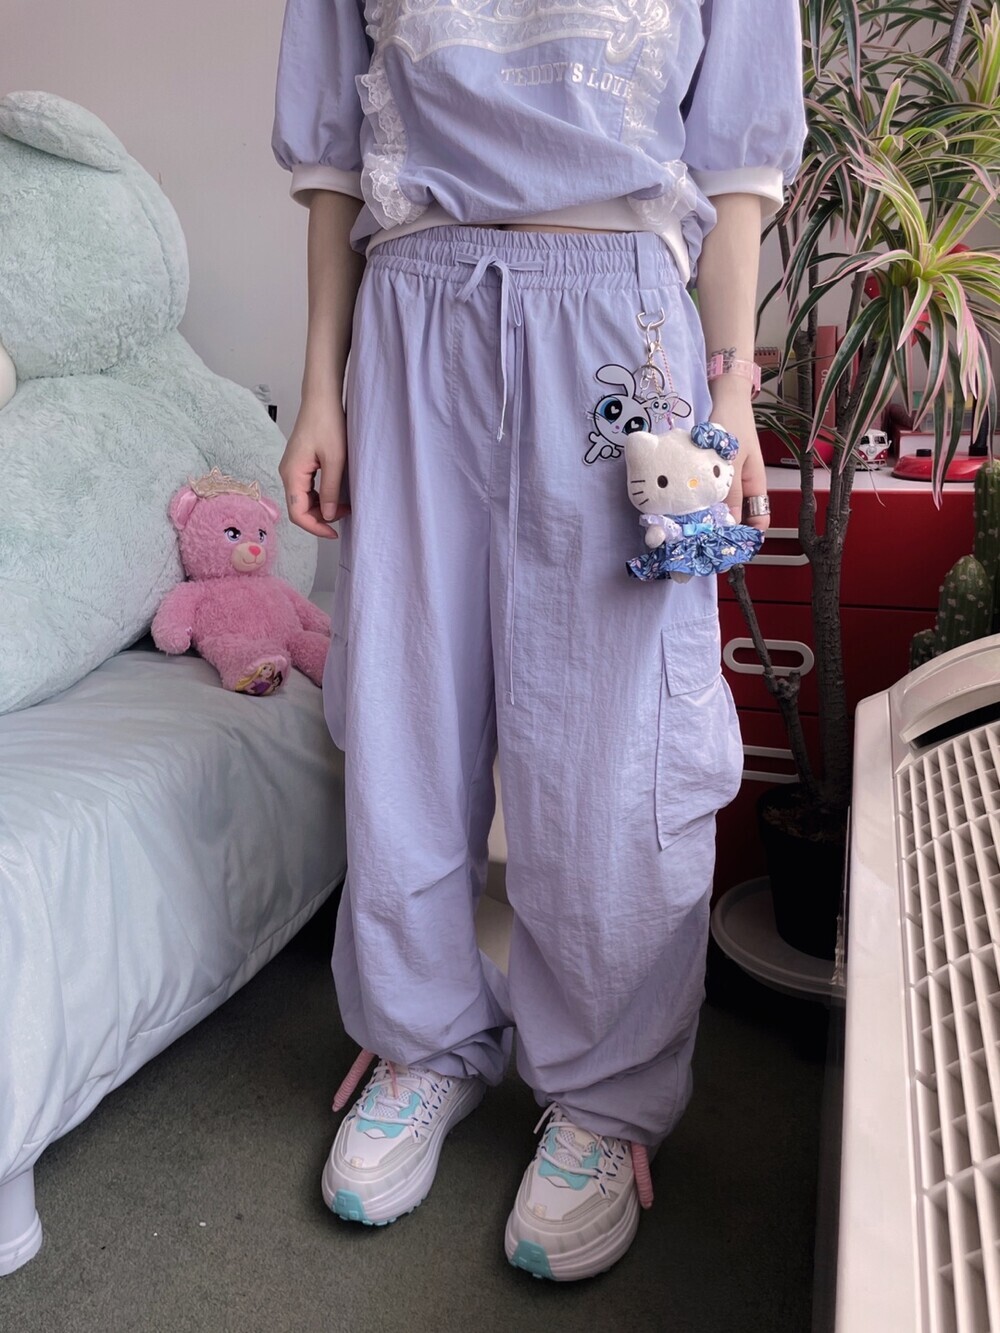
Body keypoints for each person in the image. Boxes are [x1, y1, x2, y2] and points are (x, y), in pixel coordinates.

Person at [272, 0, 805, 1282]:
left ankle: (605, 1095)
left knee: (621, 734)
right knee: (401, 705)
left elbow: (736, 155)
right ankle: (423, 1040)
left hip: (621, 320)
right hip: (413, 315)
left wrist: (731, 386)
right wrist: (321, 386)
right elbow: (335, 158)